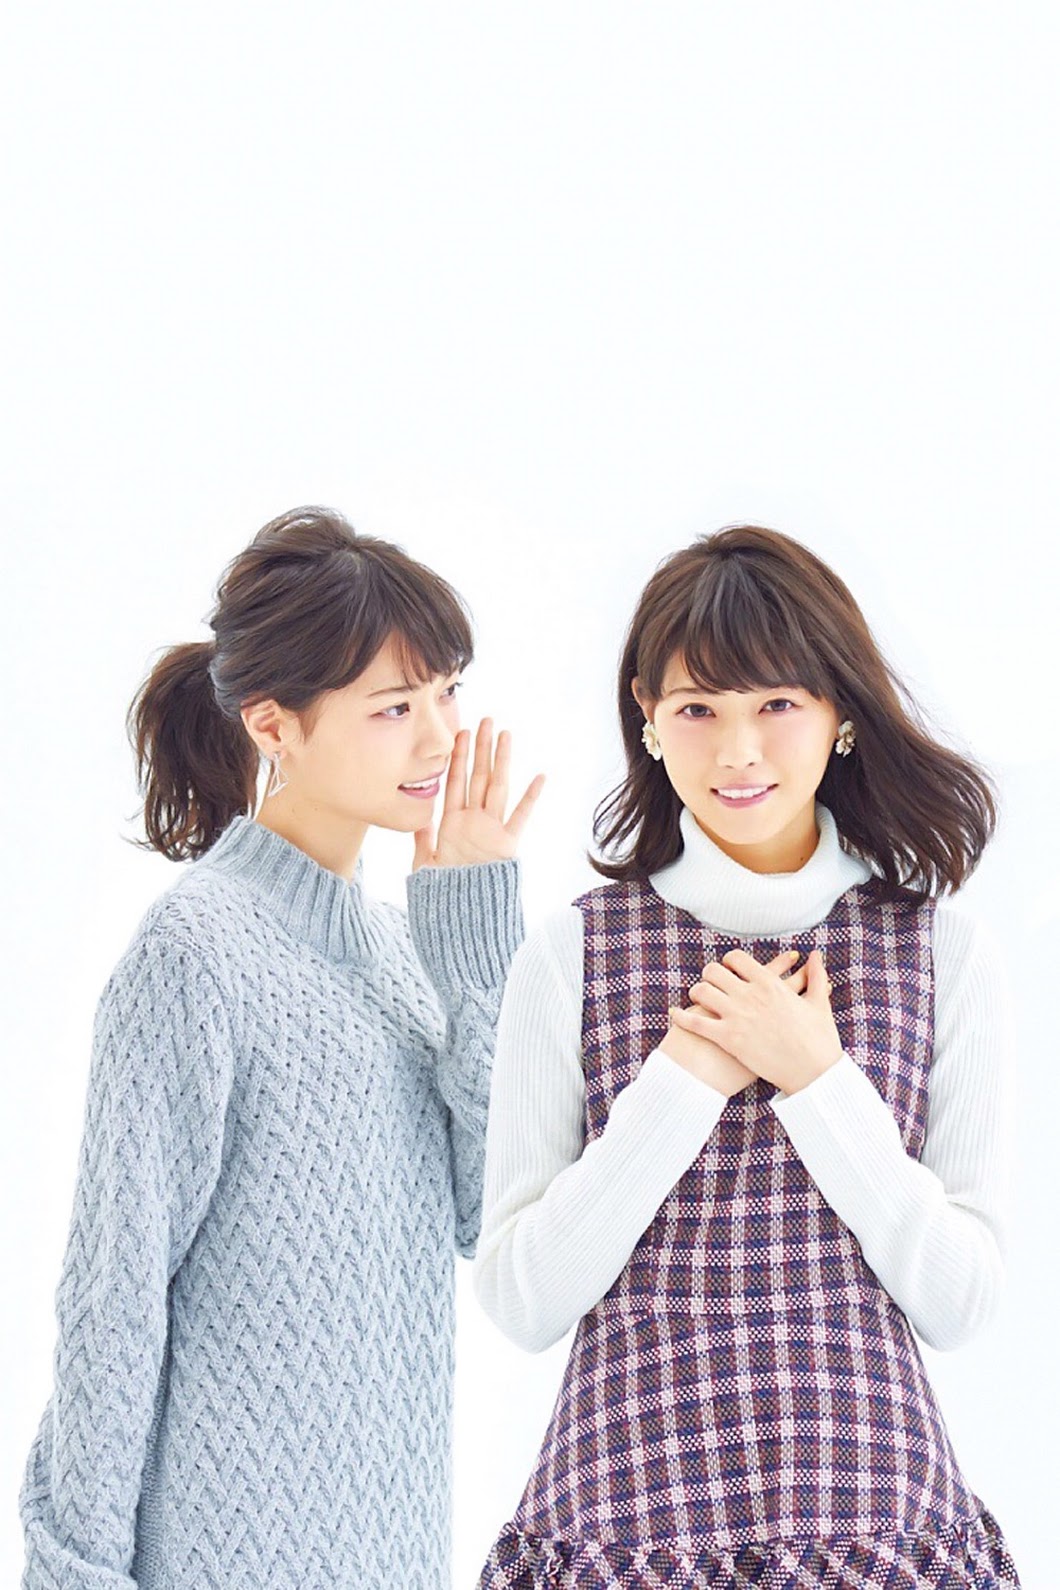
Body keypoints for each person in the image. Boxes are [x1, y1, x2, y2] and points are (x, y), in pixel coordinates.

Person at [474, 525, 1020, 1587]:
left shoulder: (941, 953)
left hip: (872, 1530)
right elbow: (522, 1299)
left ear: (840, 714)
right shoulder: (572, 954)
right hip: (630, 1527)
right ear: (647, 715)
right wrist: (682, 1082)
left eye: (776, 704)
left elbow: (961, 1302)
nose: (737, 752)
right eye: (698, 710)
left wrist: (817, 1078)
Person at [19, 505, 544, 1590]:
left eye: (446, 692)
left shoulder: (405, 953)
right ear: (273, 727)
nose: (440, 739)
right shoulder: (196, 952)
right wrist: (75, 1572)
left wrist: (473, 951)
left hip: (394, 1555)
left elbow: (484, 1215)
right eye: (393, 707)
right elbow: (114, 1298)